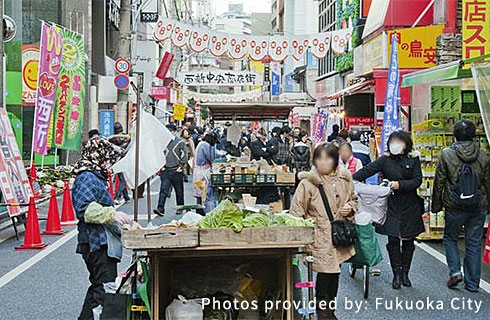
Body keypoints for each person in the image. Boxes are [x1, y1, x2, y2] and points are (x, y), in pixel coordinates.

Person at [291, 143, 358, 319]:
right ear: (314, 161)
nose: (323, 162)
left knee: (335, 272)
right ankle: (324, 312)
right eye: (319, 158)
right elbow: (296, 212)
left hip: (339, 236)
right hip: (319, 235)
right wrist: (307, 223)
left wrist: (350, 208)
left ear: (335, 160)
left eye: (327, 158)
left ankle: (329, 309)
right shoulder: (307, 183)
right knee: (325, 273)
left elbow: (354, 199)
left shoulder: (345, 179)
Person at [353, 131, 423, 290]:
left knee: (408, 240)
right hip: (390, 204)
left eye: (399, 141)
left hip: (410, 205)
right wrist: (348, 180)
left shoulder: (413, 159)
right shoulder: (385, 160)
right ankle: (396, 274)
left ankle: (406, 273)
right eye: (393, 141)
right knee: (393, 240)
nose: (396, 144)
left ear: (406, 144)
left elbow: (417, 180)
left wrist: (400, 184)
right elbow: (364, 172)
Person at [72, 135, 132, 320]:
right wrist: (113, 215)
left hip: (98, 241)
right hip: (96, 242)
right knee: (103, 287)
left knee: (98, 285)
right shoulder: (87, 177)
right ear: (99, 157)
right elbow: (84, 208)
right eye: (108, 159)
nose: (110, 164)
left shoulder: (94, 175)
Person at [432, 120, 490, 292]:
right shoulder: (483, 155)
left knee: (450, 238)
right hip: (477, 206)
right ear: (473, 135)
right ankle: (472, 284)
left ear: (455, 135)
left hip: (454, 205)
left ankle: (455, 271)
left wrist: (435, 205)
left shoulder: (447, 154)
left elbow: (439, 181)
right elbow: (488, 183)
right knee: (473, 243)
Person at [154, 124, 188, 216]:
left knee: (179, 190)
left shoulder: (180, 142)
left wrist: (181, 166)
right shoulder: (162, 142)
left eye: (170, 131)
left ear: (174, 132)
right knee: (163, 190)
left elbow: (185, 155)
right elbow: (159, 154)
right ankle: (160, 208)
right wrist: (161, 166)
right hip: (166, 170)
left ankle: (180, 207)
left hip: (176, 169)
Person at [193, 132, 218, 214]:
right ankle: (204, 213)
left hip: (198, 171)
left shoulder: (200, 144)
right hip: (203, 172)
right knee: (205, 194)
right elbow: (212, 157)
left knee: (200, 195)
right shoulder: (205, 145)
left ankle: (199, 212)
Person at [108, 122, 131, 204]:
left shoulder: (111, 139)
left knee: (122, 178)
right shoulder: (127, 138)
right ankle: (117, 197)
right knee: (123, 180)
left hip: (115, 160)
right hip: (123, 160)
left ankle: (126, 196)